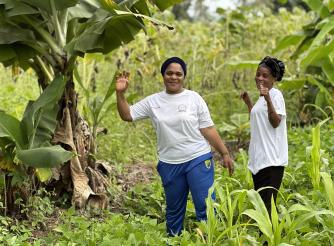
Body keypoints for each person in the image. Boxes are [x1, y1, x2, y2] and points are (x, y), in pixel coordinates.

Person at [116, 57, 233, 236]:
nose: (174, 77)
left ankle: (210, 239)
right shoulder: (153, 101)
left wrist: (224, 153)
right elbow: (127, 115)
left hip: (197, 158)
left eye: (179, 74)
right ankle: (174, 239)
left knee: (206, 206)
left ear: (184, 76)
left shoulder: (194, 98)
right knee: (174, 212)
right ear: (163, 75)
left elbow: (208, 128)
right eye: (169, 73)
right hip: (169, 163)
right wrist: (120, 94)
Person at [241, 56, 288, 213]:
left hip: (271, 161)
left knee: (267, 209)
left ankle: (271, 238)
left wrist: (268, 99)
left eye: (265, 75)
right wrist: (249, 104)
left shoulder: (275, 95)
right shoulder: (262, 98)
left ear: (274, 78)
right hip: (259, 161)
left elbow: (275, 122)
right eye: (258, 74)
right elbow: (258, 122)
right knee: (262, 209)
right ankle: (266, 238)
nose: (260, 78)